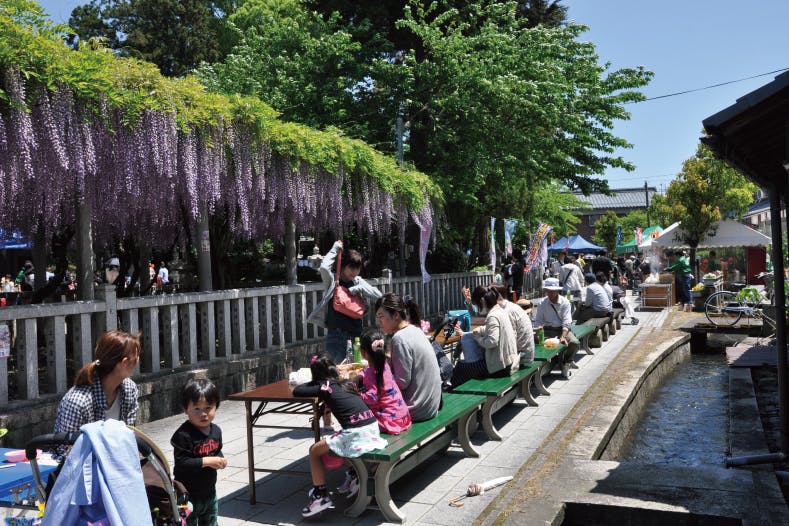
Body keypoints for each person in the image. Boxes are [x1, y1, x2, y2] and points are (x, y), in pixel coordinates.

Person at [293, 355, 387, 517]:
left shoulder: (324, 387)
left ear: (317, 375)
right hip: (372, 428)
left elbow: (297, 391)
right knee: (341, 439)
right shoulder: (347, 383)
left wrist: (314, 382)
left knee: (314, 451)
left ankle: (320, 496)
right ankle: (354, 475)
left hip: (357, 432)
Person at [337, 328, 412, 500]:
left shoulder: (372, 373)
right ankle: (357, 470)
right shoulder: (383, 365)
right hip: (402, 416)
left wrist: (356, 393)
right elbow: (372, 379)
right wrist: (361, 376)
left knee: (352, 427)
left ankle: (357, 471)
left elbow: (371, 398)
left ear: (363, 353)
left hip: (389, 421)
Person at [307, 240, 382, 364]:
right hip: (337, 336)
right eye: (351, 267)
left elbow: (379, 296)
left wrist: (360, 288)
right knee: (336, 371)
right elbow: (324, 268)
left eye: (357, 268)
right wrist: (335, 248)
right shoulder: (332, 281)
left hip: (356, 336)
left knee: (355, 370)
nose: (355, 271)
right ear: (343, 266)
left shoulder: (357, 281)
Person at [53, 331, 141, 436]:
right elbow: (67, 446)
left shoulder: (129, 389)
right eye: (136, 358)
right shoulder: (78, 402)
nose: (138, 361)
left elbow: (129, 436)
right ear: (124, 363)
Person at [374, 293, 442, 422]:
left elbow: (401, 382)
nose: (379, 323)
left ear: (396, 315)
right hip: (431, 406)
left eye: (381, 317)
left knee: (366, 405)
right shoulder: (415, 329)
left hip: (416, 410)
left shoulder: (399, 338)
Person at [171, 379, 226, 526]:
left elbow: (216, 450)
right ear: (185, 409)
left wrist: (220, 459)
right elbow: (181, 463)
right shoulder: (183, 435)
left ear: (216, 406)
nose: (203, 413)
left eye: (208, 407)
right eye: (197, 409)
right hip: (187, 494)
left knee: (210, 521)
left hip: (209, 491)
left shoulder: (216, 431)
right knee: (187, 523)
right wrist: (206, 461)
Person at [450, 285, 519, 388]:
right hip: (510, 362)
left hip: (500, 367)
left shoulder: (492, 316)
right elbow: (490, 328)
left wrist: (478, 338)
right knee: (464, 366)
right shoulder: (500, 311)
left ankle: (452, 392)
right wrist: (478, 330)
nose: (478, 308)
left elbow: (492, 342)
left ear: (482, 301)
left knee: (461, 368)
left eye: (477, 305)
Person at [533, 278, 580, 378]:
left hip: (561, 329)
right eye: (548, 291)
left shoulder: (565, 302)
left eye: (553, 291)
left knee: (574, 343)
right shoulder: (542, 303)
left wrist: (563, 336)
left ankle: (566, 362)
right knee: (533, 341)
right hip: (546, 329)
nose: (550, 293)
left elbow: (567, 322)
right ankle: (540, 366)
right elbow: (538, 321)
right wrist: (537, 330)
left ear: (557, 290)